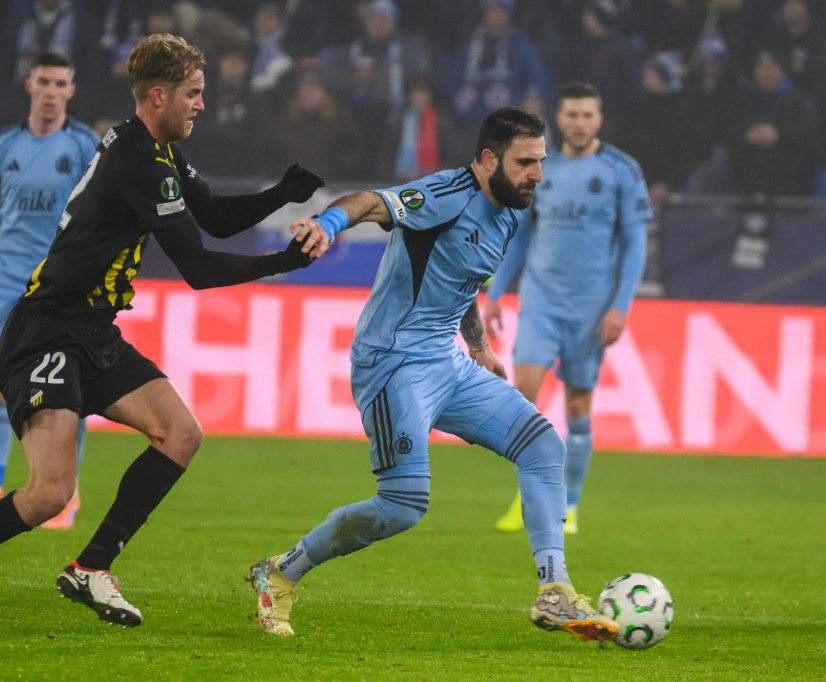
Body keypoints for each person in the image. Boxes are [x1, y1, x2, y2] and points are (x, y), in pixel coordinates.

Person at [0, 33, 326, 625]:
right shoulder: (139, 160)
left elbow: (213, 215)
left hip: (92, 331)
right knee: (50, 493)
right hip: (47, 331)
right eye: (193, 93)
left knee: (181, 433)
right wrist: (283, 262)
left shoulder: (155, 149)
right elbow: (199, 268)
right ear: (158, 96)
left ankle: (92, 567)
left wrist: (281, 194)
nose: (201, 104)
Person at [247, 106, 618, 644]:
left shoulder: (510, 210)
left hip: (447, 362)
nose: (538, 174)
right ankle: (281, 572)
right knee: (402, 507)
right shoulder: (445, 194)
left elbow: (460, 279)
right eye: (525, 162)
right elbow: (369, 201)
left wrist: (478, 345)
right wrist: (327, 223)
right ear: (488, 159)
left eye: (541, 161)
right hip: (393, 363)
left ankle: (554, 590)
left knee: (543, 445)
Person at [484, 83, 651, 535]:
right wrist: (496, 292)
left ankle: (570, 504)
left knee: (578, 405)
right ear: (559, 119)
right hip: (540, 301)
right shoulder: (542, 168)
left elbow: (635, 243)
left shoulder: (621, 170)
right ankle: (529, 497)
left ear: (599, 120)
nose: (579, 123)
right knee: (524, 394)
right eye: (572, 115)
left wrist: (619, 307)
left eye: (587, 115)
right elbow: (521, 233)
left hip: (591, 308)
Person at [0, 51, 99, 530]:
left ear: (71, 91)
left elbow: (102, 213)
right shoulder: (1, 147)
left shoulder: (84, 146)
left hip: (62, 282)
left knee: (68, 384)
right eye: (44, 82)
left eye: (60, 83)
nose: (51, 92)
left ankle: (67, 494)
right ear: (29, 85)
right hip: (7, 280)